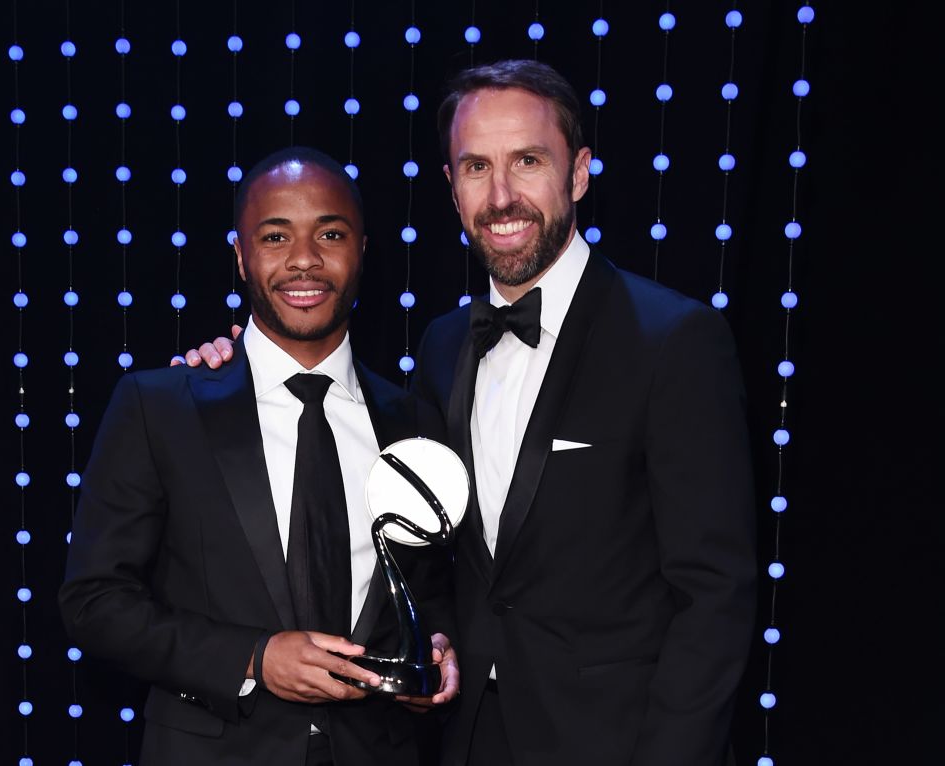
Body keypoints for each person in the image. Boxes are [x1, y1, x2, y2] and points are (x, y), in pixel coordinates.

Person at [186, 60, 756, 766]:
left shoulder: (672, 341)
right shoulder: (442, 345)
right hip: (463, 742)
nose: (503, 195)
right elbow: (440, 551)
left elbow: (716, 596)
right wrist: (236, 370)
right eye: (477, 166)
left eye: (527, 161)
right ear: (452, 188)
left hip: (618, 743)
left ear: (578, 173)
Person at [60, 146, 459, 766]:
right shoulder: (161, 406)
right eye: (276, 237)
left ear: (363, 251)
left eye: (330, 233)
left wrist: (433, 653)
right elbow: (94, 602)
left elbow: (431, 593)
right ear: (241, 256)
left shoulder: (412, 421)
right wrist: (252, 657)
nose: (305, 259)